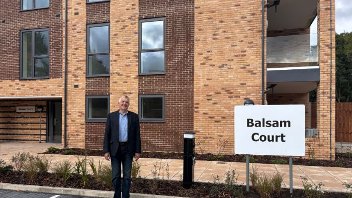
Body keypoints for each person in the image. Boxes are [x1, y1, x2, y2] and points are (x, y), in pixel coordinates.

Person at [103, 95, 141, 198]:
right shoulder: (111, 116)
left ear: (128, 104)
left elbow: (137, 135)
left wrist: (138, 151)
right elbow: (107, 134)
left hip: (128, 150)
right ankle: (117, 195)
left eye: (126, 102)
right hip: (115, 150)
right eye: (123, 102)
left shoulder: (134, 117)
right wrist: (106, 151)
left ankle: (125, 196)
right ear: (119, 103)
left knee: (127, 177)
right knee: (115, 176)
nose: (124, 104)